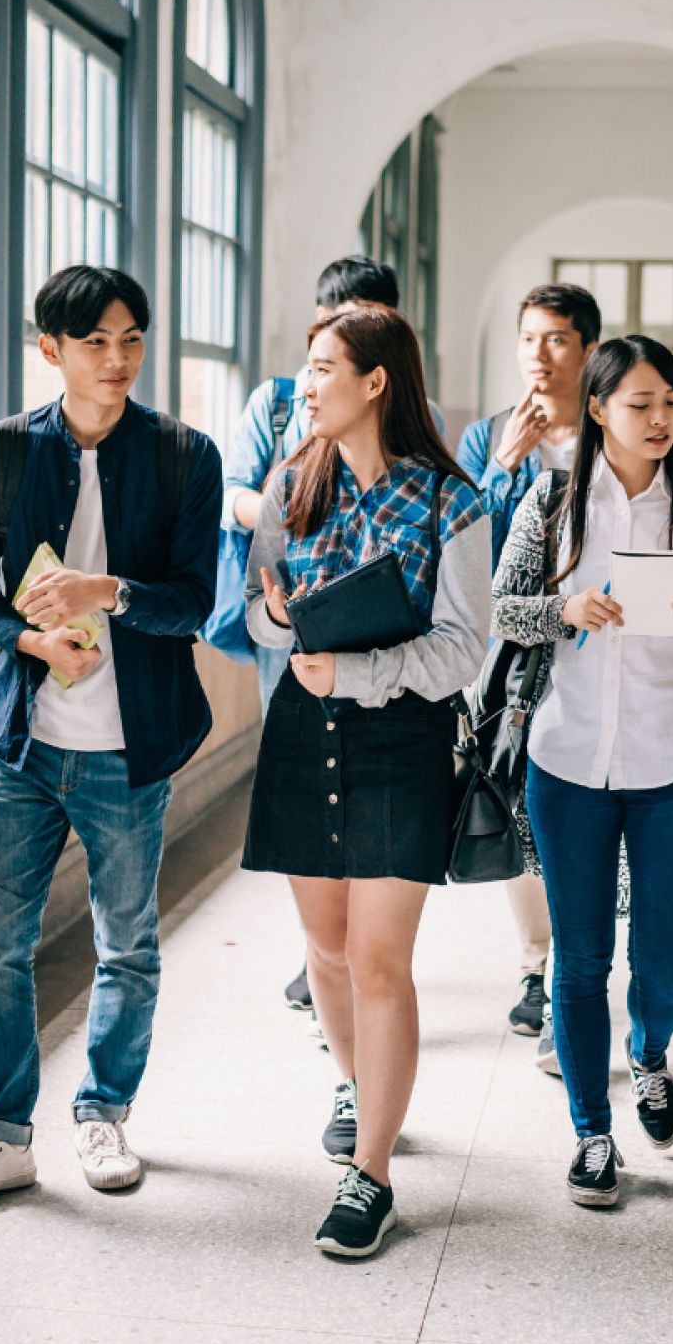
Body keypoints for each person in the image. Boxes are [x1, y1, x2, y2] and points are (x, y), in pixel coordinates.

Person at [242, 306, 490, 1257]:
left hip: (401, 740)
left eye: (320, 368)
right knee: (329, 955)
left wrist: (358, 672)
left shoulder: (448, 500)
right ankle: (356, 1088)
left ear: (375, 380)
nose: (304, 386)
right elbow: (259, 618)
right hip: (305, 732)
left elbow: (463, 649)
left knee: (381, 961)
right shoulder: (290, 485)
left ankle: (370, 1174)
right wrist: (278, 618)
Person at [491, 334, 673, 1208]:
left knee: (670, 955)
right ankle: (591, 1134)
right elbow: (503, 609)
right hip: (567, 758)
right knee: (580, 957)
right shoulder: (552, 505)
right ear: (598, 410)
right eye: (641, 405)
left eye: (672, 403)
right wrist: (562, 608)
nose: (661, 420)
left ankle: (650, 1053)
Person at [0, 265, 221, 1197]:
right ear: (51, 350)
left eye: (132, 340)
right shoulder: (3, 453)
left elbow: (195, 603)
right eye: (95, 343)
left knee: (127, 942)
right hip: (22, 743)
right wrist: (30, 635)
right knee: (1, 941)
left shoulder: (182, 456)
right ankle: (5, 1131)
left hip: (131, 748)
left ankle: (103, 1118)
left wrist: (107, 593)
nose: (118, 359)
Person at [222, 254, 444, 1018]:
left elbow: (455, 632)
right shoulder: (284, 427)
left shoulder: (437, 479)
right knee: (325, 913)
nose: (314, 379)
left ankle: (355, 975)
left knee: (376, 950)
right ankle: (327, 962)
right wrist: (285, 593)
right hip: (299, 669)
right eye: (317, 353)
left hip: (398, 701)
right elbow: (247, 543)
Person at [458, 283, 599, 1055]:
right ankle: (537, 965)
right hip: (512, 656)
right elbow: (460, 544)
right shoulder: (487, 436)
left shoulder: (615, 431)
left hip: (595, 645)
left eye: (555, 340)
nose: (539, 357)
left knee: (583, 811)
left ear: (586, 350)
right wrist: (505, 464)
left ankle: (578, 965)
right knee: (519, 804)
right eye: (528, 340)